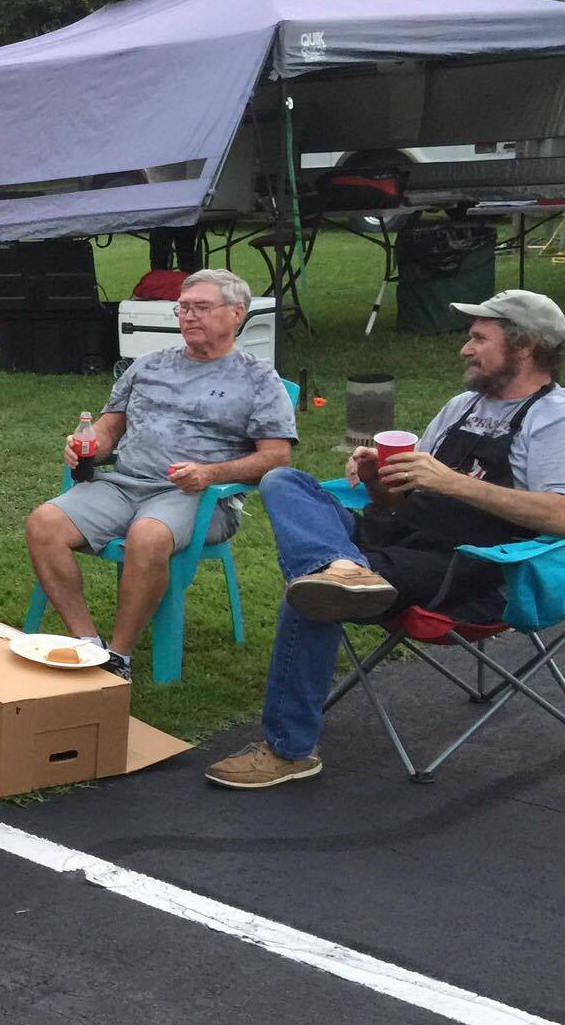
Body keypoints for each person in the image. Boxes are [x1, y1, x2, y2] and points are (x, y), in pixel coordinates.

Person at [207, 289, 565, 788]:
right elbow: (401, 500)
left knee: (315, 597)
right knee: (282, 481)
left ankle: (289, 750)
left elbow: (560, 515)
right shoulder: (463, 405)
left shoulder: (554, 418)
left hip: (469, 563)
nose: (466, 348)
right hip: (401, 531)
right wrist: (377, 476)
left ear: (525, 348)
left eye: (479, 338)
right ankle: (339, 567)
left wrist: (451, 481)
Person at [26, 267, 297, 677]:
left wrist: (211, 473)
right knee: (44, 523)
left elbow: (276, 457)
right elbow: (110, 426)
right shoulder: (149, 365)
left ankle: (118, 657)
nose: (188, 316)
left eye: (201, 308)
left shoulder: (258, 378)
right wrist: (90, 443)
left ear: (236, 314)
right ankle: (87, 644)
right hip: (124, 485)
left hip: (197, 496)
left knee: (148, 535)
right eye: (183, 308)